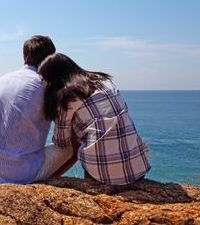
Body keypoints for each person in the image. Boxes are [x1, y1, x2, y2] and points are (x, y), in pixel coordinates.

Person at [38, 53, 151, 185]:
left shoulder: (66, 98)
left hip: (102, 175)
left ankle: (45, 181)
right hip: (138, 166)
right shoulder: (104, 81)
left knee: (79, 142)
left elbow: (61, 142)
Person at [0, 35, 74, 184]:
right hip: (20, 174)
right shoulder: (46, 85)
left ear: (24, 56)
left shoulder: (3, 79)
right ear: (51, 59)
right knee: (75, 143)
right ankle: (42, 182)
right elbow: (63, 137)